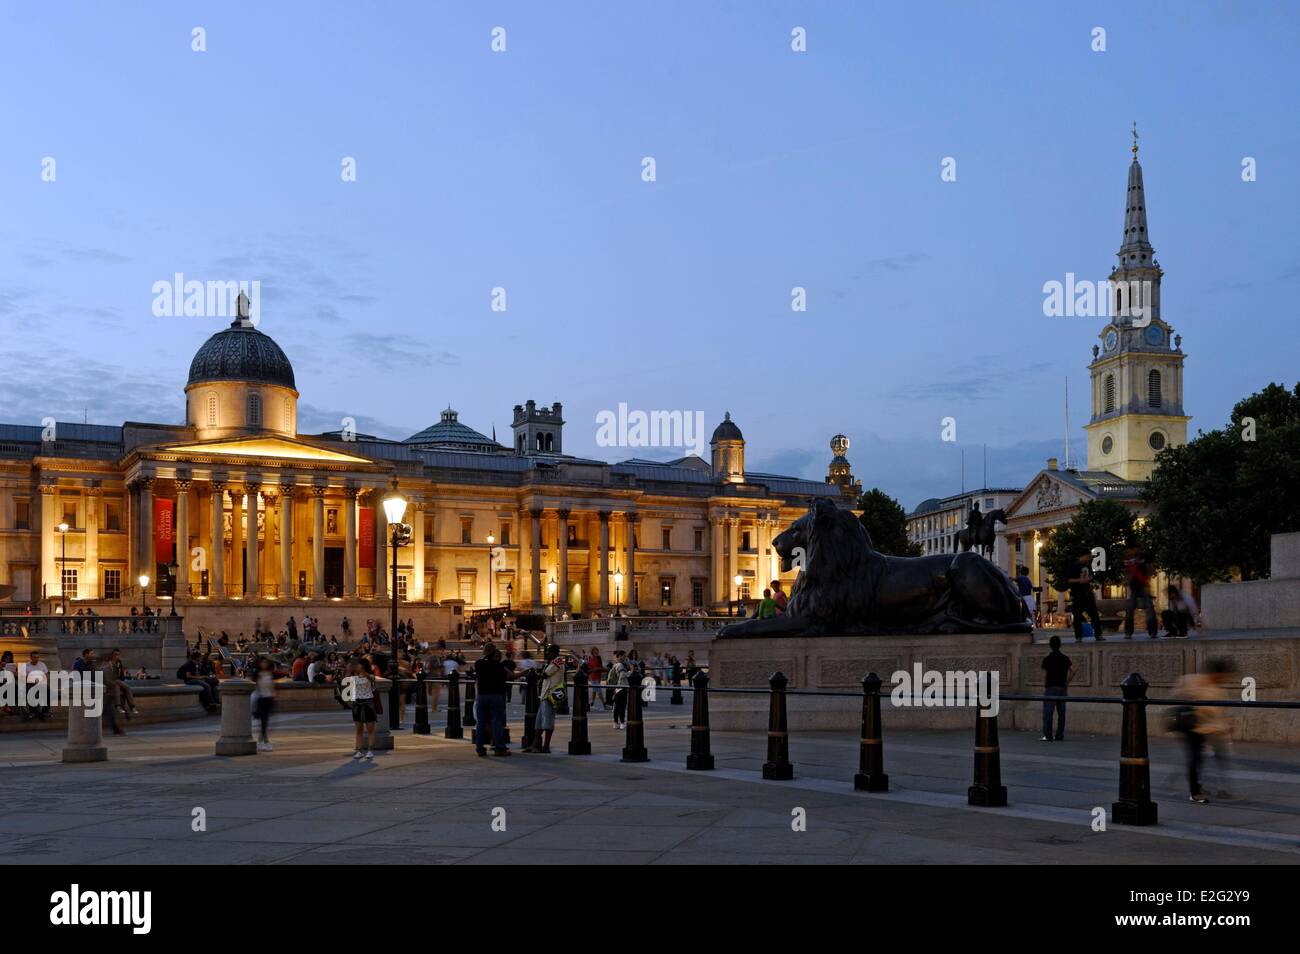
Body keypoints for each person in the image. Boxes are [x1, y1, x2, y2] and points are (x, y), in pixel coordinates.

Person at [1176, 659, 1234, 802]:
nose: (1224, 679)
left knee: (1208, 758)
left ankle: (1209, 787)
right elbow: (1178, 693)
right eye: (1222, 675)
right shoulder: (1192, 681)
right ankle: (1195, 792)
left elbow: (1218, 712)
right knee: (1196, 758)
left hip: (1209, 729)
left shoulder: (1219, 690)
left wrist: (1224, 727)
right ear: (1216, 673)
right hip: (1193, 727)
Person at [472, 643, 511, 756]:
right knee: (496, 722)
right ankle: (499, 748)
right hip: (495, 695)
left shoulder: (478, 664)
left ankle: (480, 748)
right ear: (494, 653)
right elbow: (507, 676)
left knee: (480, 723)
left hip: (482, 695)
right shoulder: (498, 665)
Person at [526, 645, 565, 753]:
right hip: (545, 695)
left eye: (549, 652)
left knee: (547, 721)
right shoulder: (551, 662)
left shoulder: (558, 661)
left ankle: (546, 746)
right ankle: (534, 745)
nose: (548, 653)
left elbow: (546, 674)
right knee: (539, 722)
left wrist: (541, 674)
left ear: (555, 652)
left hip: (551, 695)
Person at [1040, 635, 1074, 741]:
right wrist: (1066, 683)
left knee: (1048, 713)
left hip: (1051, 687)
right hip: (1062, 688)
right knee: (1061, 713)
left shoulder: (1047, 659)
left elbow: (1045, 675)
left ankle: (1048, 735)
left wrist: (1045, 685)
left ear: (1050, 646)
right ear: (1060, 645)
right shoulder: (1065, 658)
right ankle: (1059, 734)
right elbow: (1073, 671)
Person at [1066, 550, 1104, 642]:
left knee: (1094, 615)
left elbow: (1091, 576)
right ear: (1083, 556)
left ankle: (1098, 635)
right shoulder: (1074, 566)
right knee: (1077, 616)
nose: (1089, 559)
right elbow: (1069, 579)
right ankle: (1078, 636)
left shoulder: (1088, 565)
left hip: (1087, 593)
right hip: (1077, 594)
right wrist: (1080, 581)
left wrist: (1090, 579)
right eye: (1088, 557)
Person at [344, 658, 378, 760]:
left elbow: (371, 679)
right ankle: (359, 750)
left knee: (370, 729)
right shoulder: (353, 677)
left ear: (363, 666)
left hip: (368, 703)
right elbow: (346, 684)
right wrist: (349, 671)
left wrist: (362, 671)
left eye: (358, 665)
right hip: (357, 703)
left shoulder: (370, 676)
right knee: (359, 729)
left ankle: (370, 750)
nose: (356, 666)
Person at [1123, 546, 1158, 639]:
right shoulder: (1127, 559)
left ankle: (1152, 631)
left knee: (1150, 609)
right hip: (1134, 587)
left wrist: (1147, 583)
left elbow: (1150, 569)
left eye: (1129, 550)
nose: (1128, 553)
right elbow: (1126, 572)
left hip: (1144, 586)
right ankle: (1128, 632)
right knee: (1130, 610)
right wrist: (1127, 581)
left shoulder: (1143, 557)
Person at [253, 656, 276, 752]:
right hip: (260, 699)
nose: (264, 664)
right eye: (262, 662)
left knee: (265, 722)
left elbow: (272, 686)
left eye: (265, 662)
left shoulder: (270, 673)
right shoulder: (257, 674)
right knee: (264, 722)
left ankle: (262, 741)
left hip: (269, 699)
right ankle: (264, 741)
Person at [107, 648, 138, 718]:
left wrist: (121, 680)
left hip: (117, 682)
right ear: (112, 655)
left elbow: (121, 674)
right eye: (115, 654)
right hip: (109, 681)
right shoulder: (108, 663)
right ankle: (130, 707)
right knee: (126, 687)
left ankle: (125, 706)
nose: (116, 656)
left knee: (118, 687)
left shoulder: (119, 662)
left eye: (118, 655)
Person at [22, 650, 50, 721]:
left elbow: (46, 675)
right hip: (30, 684)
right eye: (34, 657)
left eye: (37, 657)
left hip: (41, 683)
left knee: (49, 692)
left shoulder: (42, 664)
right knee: (30, 691)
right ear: (31, 658)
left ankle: (44, 711)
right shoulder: (26, 666)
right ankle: (33, 712)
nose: (36, 659)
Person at [607, 650, 630, 730]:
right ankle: (622, 723)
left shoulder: (615, 665)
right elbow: (622, 675)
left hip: (616, 688)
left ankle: (615, 723)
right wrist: (631, 672)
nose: (625, 657)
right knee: (622, 706)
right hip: (622, 687)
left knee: (616, 706)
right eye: (624, 656)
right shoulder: (620, 665)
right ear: (619, 656)